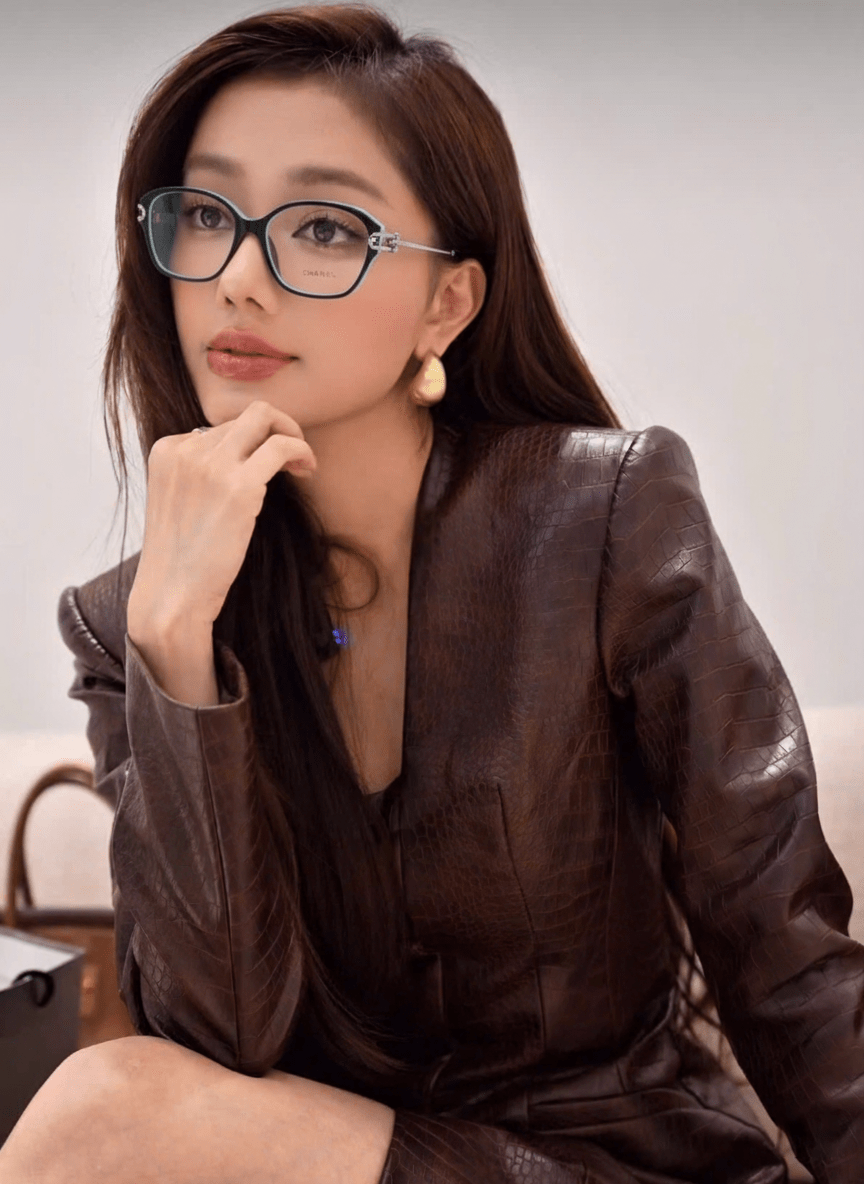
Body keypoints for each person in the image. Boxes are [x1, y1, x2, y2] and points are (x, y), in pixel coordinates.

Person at [3, 5, 861, 1183]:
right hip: (326, 1162)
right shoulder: (135, 621)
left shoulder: (604, 517)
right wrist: (176, 647)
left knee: (104, 1109)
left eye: (321, 227)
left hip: (610, 1160)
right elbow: (219, 1045)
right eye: (204, 214)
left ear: (448, 303)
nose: (237, 278)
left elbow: (784, 950)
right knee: (117, 1103)